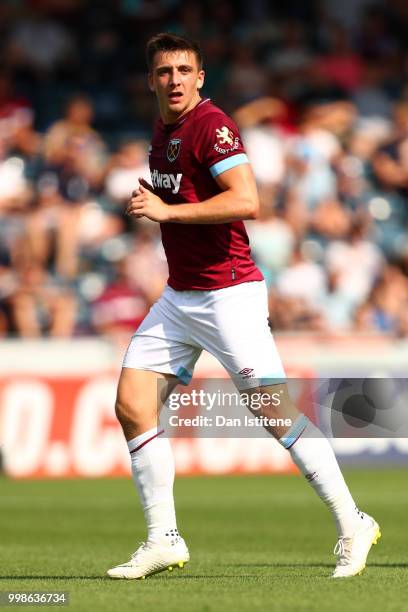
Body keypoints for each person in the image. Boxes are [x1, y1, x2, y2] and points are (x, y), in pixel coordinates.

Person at [108, 33, 380, 581]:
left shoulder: (213, 125)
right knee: (133, 404)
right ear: (151, 81)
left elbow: (247, 200)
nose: (176, 80)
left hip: (228, 293)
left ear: (201, 77)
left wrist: (166, 212)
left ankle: (354, 522)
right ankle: (163, 538)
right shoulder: (164, 129)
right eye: (165, 72)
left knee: (274, 413)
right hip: (181, 294)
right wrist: (157, 206)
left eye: (185, 70)